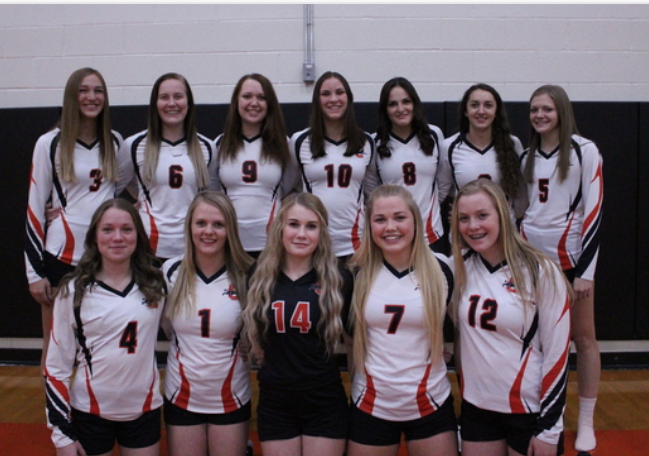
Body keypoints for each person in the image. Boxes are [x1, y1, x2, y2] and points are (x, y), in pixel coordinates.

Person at [450, 179, 571, 456]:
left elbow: (558, 354)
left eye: (482, 215)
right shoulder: (458, 268)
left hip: (528, 411)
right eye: (464, 218)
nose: (473, 226)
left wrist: (549, 429)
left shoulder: (541, 270)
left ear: (503, 215)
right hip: (477, 409)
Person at [25, 67, 131, 366]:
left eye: (98, 91)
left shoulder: (115, 141)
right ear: (71, 96)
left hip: (105, 257)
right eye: (83, 90)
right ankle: (53, 399)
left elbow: (119, 187)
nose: (91, 97)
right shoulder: (50, 143)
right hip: (62, 256)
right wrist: (35, 274)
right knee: (56, 348)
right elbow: (34, 208)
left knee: (104, 342)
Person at [44, 198, 166, 456]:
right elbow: (56, 366)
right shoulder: (73, 290)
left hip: (144, 410)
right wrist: (61, 433)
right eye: (108, 229)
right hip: (90, 412)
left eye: (127, 229)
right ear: (94, 237)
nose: (117, 238)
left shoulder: (158, 284)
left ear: (138, 236)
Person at [520, 84, 603, 454]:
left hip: (570, 262)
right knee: (537, 341)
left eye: (547, 109)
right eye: (534, 110)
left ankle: (585, 422)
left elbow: (594, 211)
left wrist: (586, 272)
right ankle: (545, 411)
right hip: (531, 264)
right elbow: (523, 210)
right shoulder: (527, 155)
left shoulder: (584, 151)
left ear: (562, 112)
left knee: (582, 339)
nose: (539, 115)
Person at [346, 184, 458, 456]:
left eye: (399, 217)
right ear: (369, 226)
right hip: (371, 404)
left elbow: (461, 327)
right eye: (380, 219)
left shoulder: (442, 268)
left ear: (415, 221)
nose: (390, 227)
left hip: (430, 402)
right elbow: (350, 340)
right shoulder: (355, 273)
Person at [243, 192, 353, 456]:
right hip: (275, 402)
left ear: (321, 233)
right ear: (280, 228)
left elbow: (353, 344)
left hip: (324, 401)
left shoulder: (340, 279)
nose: (302, 234)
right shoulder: (258, 276)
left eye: (311, 226)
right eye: (294, 224)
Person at [161, 191, 254, 456]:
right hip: (181, 393)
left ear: (230, 229)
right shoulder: (170, 271)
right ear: (189, 227)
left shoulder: (249, 273)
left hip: (231, 394)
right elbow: (166, 327)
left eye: (218, 224)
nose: (208, 232)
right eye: (201, 223)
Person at [122, 72, 216, 263]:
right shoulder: (134, 145)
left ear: (188, 103)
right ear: (155, 104)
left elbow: (213, 195)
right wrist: (137, 202)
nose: (171, 103)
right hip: (148, 248)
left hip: (193, 248)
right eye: (164, 97)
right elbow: (113, 187)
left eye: (178, 96)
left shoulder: (207, 147)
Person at [289, 71, 375, 261]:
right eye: (326, 94)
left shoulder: (366, 141)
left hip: (356, 244)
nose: (333, 99)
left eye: (339, 92)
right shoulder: (300, 141)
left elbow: (371, 192)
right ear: (317, 100)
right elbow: (289, 185)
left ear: (348, 98)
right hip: (314, 242)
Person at [365, 77, 451, 252]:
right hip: (394, 234)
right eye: (393, 104)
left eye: (406, 102)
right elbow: (372, 189)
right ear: (385, 109)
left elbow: (443, 181)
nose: (400, 109)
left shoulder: (434, 134)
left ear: (414, 104)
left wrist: (431, 204)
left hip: (431, 233)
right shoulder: (375, 142)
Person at [216, 73, 295, 258]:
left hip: (271, 244)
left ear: (270, 104)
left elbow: (290, 185)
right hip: (229, 243)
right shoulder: (219, 145)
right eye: (247, 96)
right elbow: (212, 190)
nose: (254, 103)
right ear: (236, 102)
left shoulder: (284, 145)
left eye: (261, 97)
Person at [443, 83, 526, 217]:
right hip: (468, 226)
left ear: (496, 111)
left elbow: (521, 192)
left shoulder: (513, 144)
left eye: (488, 105)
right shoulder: (449, 146)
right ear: (465, 111)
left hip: (505, 227)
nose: (481, 111)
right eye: (474, 105)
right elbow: (442, 192)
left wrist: (512, 218)